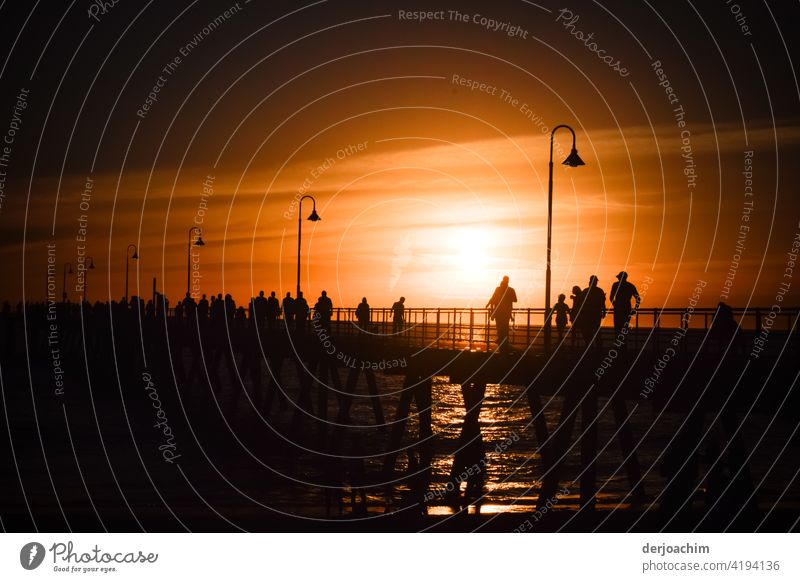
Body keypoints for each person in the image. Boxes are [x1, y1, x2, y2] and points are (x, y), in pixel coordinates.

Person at [486, 276, 517, 353]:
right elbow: (493, 298)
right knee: (503, 327)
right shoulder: (508, 290)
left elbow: (515, 299)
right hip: (503, 312)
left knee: (501, 328)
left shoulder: (507, 290)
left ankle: (503, 342)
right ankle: (503, 343)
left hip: (502, 312)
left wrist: (489, 304)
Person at [610, 271, 641, 335]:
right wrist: (635, 309)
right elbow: (638, 299)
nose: (618, 279)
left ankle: (618, 343)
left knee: (617, 329)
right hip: (626, 309)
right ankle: (623, 343)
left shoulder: (615, 285)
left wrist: (615, 305)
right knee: (624, 329)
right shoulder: (630, 286)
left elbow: (611, 297)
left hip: (618, 310)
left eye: (619, 277)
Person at [580, 275, 607, 348]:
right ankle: (596, 345)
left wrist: (603, 311)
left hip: (589, 313)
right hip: (595, 313)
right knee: (595, 329)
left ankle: (590, 345)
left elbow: (581, 302)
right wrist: (604, 311)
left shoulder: (586, 291)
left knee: (589, 329)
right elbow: (602, 302)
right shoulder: (599, 291)